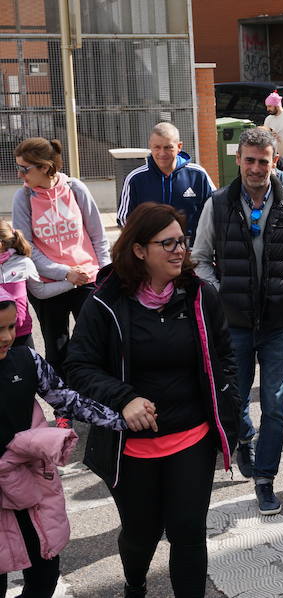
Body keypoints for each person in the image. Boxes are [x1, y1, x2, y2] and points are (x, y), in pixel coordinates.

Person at [65, 203, 241, 597]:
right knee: (140, 535)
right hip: (132, 449)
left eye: (182, 241)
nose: (180, 250)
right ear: (140, 250)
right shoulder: (105, 303)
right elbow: (78, 367)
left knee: (188, 533)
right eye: (168, 243)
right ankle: (135, 584)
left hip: (191, 439)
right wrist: (123, 399)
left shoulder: (200, 296)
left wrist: (228, 405)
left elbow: (226, 357)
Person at [192, 127, 283, 514]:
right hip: (232, 323)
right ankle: (244, 439)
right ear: (239, 160)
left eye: (263, 161)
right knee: (235, 396)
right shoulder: (216, 204)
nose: (255, 168)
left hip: (279, 323)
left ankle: (265, 478)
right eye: (249, 160)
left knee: (276, 403)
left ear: (275, 162)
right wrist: (217, 293)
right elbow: (199, 259)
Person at [0, 292, 127, 598]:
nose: (6, 337)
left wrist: (121, 418)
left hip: (33, 487)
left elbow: (65, 398)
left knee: (45, 574)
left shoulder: (26, 360)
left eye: (10, 327)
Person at [12, 137, 110, 390]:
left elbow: (98, 235)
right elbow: (27, 249)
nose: (20, 174)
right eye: (19, 167)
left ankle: (98, 398)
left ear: (44, 167)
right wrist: (66, 273)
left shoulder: (75, 188)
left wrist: (105, 274)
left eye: (25, 168)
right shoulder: (22, 199)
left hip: (88, 280)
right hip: (51, 286)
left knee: (96, 344)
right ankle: (64, 410)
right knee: (57, 351)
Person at [117, 122, 216, 240]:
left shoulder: (198, 175)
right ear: (150, 147)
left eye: (168, 147)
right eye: (157, 147)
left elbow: (215, 210)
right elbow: (125, 220)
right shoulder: (135, 179)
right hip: (152, 252)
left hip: (191, 251)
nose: (162, 153)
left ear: (179, 147)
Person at [0, 220, 76, 348]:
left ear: (1, 244)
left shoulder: (24, 263)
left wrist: (70, 283)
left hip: (21, 335)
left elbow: (40, 291)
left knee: (27, 368)